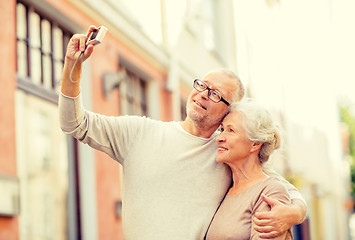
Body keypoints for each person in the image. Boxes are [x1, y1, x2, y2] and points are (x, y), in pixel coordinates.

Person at [59, 26, 306, 240]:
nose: (202, 94)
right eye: (202, 85)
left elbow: (277, 187)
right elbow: (73, 123)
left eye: (215, 94)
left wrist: (295, 212)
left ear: (229, 112)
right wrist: (73, 65)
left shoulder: (226, 153)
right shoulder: (140, 132)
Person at [205, 99, 293, 240]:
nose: (220, 138)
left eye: (231, 130)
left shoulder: (270, 191)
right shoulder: (225, 188)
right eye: (222, 129)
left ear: (255, 144)